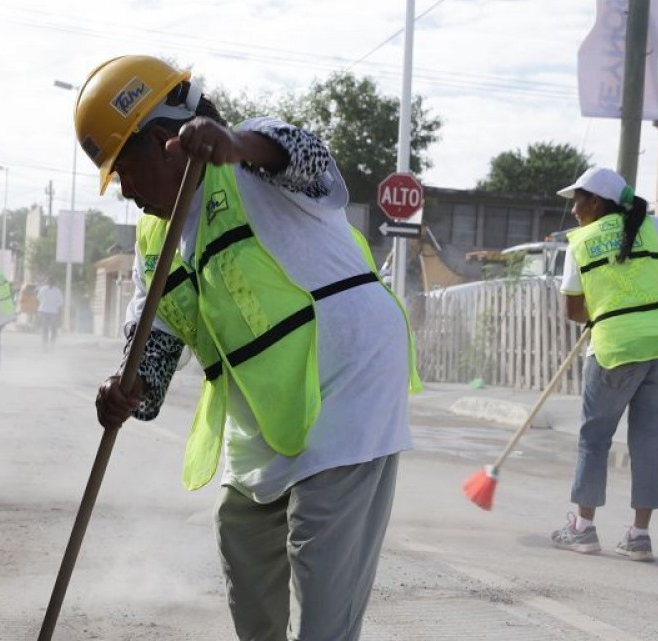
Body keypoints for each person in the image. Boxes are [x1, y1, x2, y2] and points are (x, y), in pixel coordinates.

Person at [80, 55, 421, 641]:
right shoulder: (154, 237)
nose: (126, 191)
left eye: (126, 170)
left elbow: (306, 155)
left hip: (347, 386)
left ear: (165, 141)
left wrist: (234, 143)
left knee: (323, 575)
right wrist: (127, 390)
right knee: (243, 551)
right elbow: (153, 341)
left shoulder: (251, 161)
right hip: (265, 412)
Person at [551, 167, 658, 562]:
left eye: (579, 199)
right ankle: (639, 535)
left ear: (599, 202)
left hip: (616, 349)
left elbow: (573, 310)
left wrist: (607, 308)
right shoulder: (656, 227)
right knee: (650, 440)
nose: (573, 209)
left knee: (595, 437)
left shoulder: (581, 242)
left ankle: (583, 528)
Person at [36, 276, 64, 351]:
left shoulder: (56, 291)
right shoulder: (55, 290)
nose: (49, 282)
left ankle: (50, 345)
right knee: (48, 330)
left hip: (49, 312)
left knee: (51, 330)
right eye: (49, 281)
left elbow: (39, 299)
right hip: (48, 312)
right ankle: (47, 346)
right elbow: (60, 303)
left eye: (50, 281)